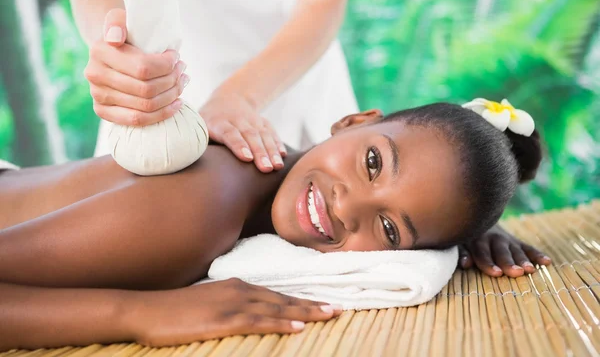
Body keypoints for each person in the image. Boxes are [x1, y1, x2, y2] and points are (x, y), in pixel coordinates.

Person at [0, 102, 551, 350]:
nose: (346, 206)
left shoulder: (256, 187)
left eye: (388, 230)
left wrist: (466, 238)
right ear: (353, 120)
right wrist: (137, 313)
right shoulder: (199, 210)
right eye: (373, 163)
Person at [69, 0, 361, 172]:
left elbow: (321, 2)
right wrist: (114, 48)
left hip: (290, 77)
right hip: (154, 93)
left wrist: (237, 98)